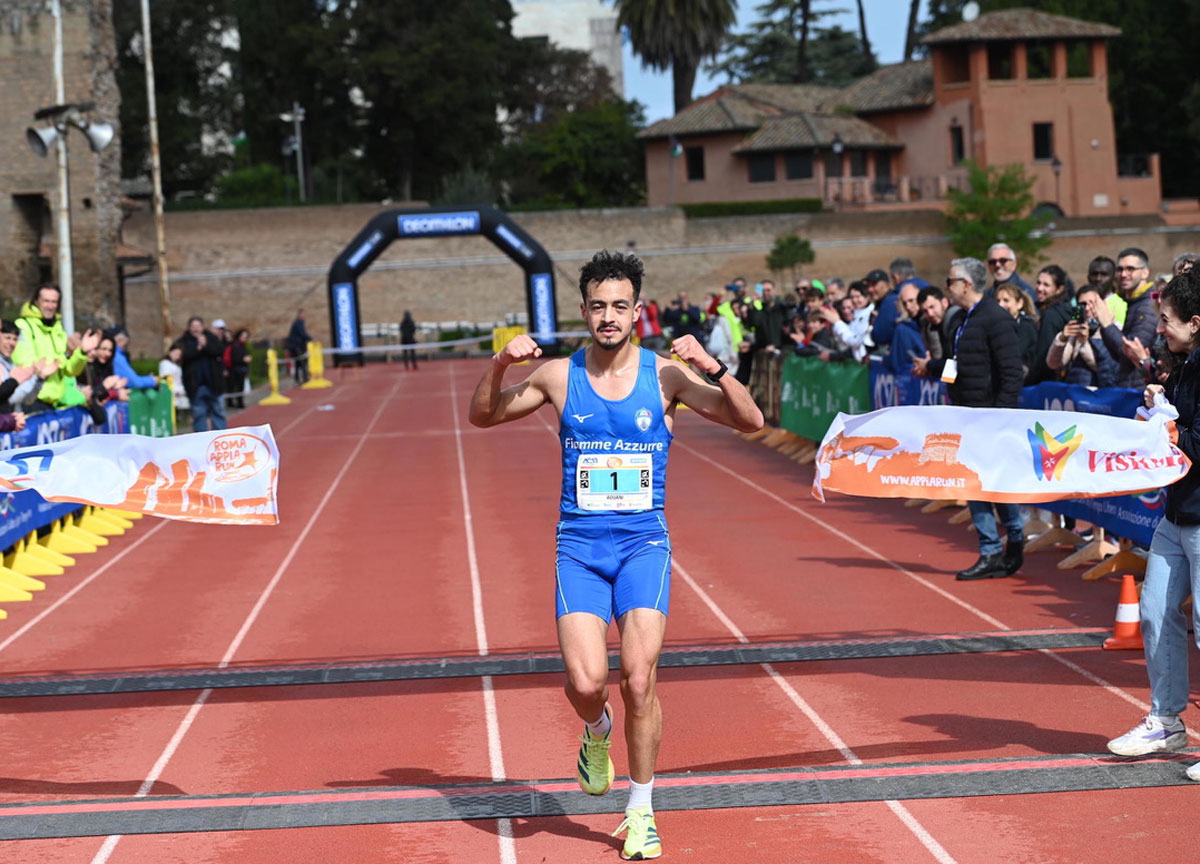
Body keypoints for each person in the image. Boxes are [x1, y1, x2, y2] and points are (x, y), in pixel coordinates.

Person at [468, 250, 763, 861]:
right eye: (598, 306)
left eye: (620, 306)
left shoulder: (667, 377)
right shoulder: (556, 375)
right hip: (578, 547)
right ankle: (596, 730)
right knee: (585, 682)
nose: (609, 316)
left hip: (642, 545)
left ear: (637, 311)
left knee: (638, 677)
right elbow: (483, 416)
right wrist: (499, 363)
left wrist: (714, 364)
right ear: (584, 310)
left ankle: (641, 810)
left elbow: (751, 421)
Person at [1106, 268, 1200, 781]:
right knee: (1156, 612)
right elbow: (1186, 427)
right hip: (1177, 512)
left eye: (1165, 320)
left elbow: (1197, 441)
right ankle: (1166, 720)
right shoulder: (1185, 364)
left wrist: (1166, 428)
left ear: (1196, 321)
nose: (1158, 328)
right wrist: (1162, 406)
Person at [918, 258, 1024, 580]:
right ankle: (995, 549)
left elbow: (1010, 372)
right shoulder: (962, 321)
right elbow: (957, 364)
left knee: (987, 484)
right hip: (967, 417)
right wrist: (938, 373)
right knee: (979, 484)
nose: (946, 286)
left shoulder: (995, 318)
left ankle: (1007, 544)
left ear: (966, 284)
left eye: (950, 281)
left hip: (989, 419)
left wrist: (1000, 416)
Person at [11, 284, 100, 411]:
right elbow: (24, 363)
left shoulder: (57, 329)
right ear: (36, 302)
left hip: (55, 402)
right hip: (32, 400)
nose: (50, 306)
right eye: (46, 301)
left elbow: (69, 370)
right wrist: (42, 369)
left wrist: (82, 352)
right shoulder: (23, 326)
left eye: (54, 302)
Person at [1090, 247, 1159, 388]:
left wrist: (1108, 325)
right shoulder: (1134, 301)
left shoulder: (1148, 305)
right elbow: (1118, 354)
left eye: (1130, 269)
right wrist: (1105, 326)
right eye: (1120, 269)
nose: (1123, 274)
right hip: (1129, 385)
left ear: (1145, 272)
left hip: (1140, 389)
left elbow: (1131, 352)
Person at [1046, 284, 1120, 388]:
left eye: (1092, 303)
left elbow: (1107, 370)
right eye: (1082, 304)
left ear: (1102, 303)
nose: (1087, 308)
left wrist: (1085, 344)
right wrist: (1062, 338)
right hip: (1075, 393)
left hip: (1101, 394)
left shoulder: (1113, 330)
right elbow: (1054, 364)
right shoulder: (1077, 328)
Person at [1026, 265, 1075, 385]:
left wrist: (1028, 380)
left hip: (1044, 383)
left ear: (1059, 289)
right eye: (1038, 283)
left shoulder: (1051, 315)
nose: (1039, 288)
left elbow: (1044, 353)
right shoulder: (1040, 309)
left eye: (1046, 285)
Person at [178, 316, 228, 432]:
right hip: (195, 385)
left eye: (198, 326)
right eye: (193, 327)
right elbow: (184, 355)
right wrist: (198, 348)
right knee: (199, 415)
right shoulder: (183, 341)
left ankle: (220, 438)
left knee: (218, 412)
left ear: (203, 327)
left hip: (213, 385)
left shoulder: (211, 338)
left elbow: (219, 351)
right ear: (189, 328)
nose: (196, 329)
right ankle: (201, 440)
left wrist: (206, 345)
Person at [994, 283, 1039, 381]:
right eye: (998, 300)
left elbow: (1013, 354)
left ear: (1019, 304)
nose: (1000, 305)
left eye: (1006, 300)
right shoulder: (996, 326)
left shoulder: (1025, 327)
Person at [107, 326, 159, 391]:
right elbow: (134, 381)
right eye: (125, 345)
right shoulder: (117, 356)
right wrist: (152, 380)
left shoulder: (115, 355)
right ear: (119, 340)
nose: (125, 348)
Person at [158, 343, 189, 419]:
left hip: (178, 394)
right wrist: (175, 391)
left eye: (179, 355)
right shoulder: (165, 364)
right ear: (170, 352)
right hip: (172, 394)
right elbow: (166, 380)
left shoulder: (175, 364)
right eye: (175, 354)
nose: (177, 357)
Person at [226, 328, 253, 407]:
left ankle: (237, 402)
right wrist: (244, 359)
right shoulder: (236, 345)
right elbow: (235, 358)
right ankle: (236, 403)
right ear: (239, 336)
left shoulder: (242, 345)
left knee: (238, 387)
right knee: (236, 387)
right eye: (244, 336)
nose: (245, 338)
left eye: (246, 337)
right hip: (236, 370)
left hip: (240, 369)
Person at [286, 309, 312, 384]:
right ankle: (304, 379)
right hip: (297, 346)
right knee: (302, 361)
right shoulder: (299, 323)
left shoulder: (298, 323)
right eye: (303, 314)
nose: (304, 316)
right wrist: (311, 339)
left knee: (298, 363)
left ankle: (297, 379)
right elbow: (302, 334)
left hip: (295, 346)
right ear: (299, 315)